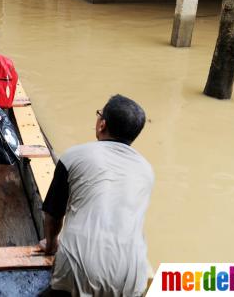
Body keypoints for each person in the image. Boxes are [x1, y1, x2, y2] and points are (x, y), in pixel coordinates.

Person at [40, 94, 154, 297]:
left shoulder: (73, 156)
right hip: (134, 276)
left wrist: (50, 245)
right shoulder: (146, 170)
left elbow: (53, 214)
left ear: (102, 125)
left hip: (79, 270)